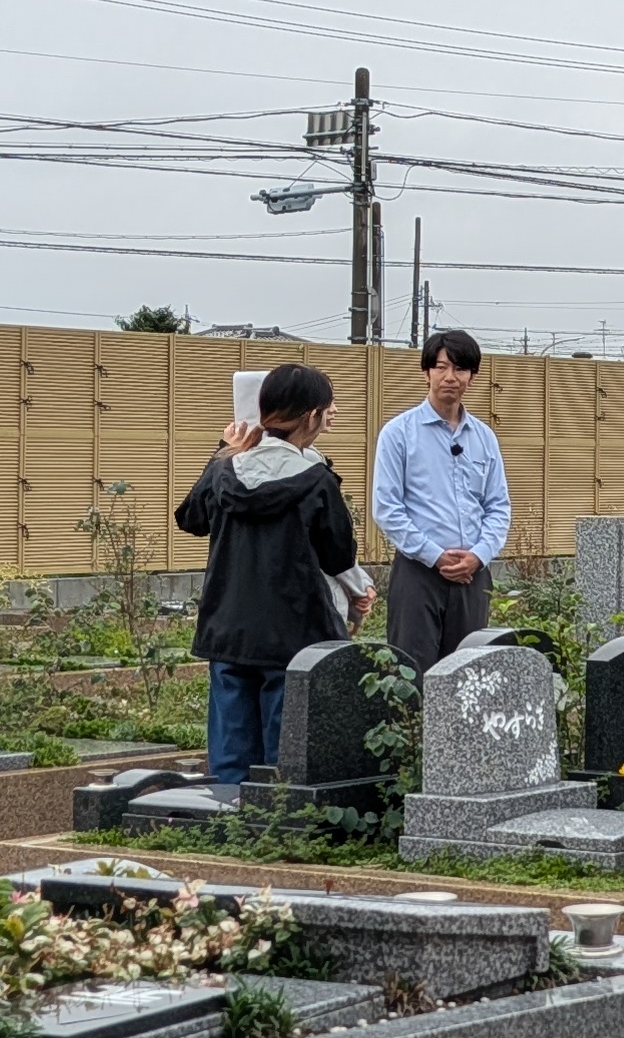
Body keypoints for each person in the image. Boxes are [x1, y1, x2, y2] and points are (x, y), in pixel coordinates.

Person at [175, 362, 363, 804]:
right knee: (285, 761)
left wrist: (223, 451)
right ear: (311, 416)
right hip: (293, 634)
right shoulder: (317, 480)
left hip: (227, 629)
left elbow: (190, 517)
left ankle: (225, 832)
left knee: (230, 762)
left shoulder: (226, 470)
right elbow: (339, 555)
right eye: (327, 408)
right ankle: (276, 828)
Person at [372, 329, 512, 672]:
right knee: (412, 673)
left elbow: (498, 506)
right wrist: (436, 556)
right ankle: (412, 730)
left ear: (472, 376)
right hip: (418, 572)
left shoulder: (484, 437)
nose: (450, 377)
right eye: (440, 367)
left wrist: (478, 556)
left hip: (472, 576)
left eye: (460, 369)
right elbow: (387, 508)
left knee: (469, 673)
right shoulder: (398, 433)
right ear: (426, 372)